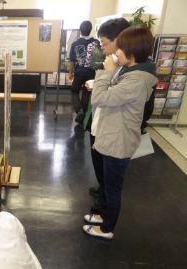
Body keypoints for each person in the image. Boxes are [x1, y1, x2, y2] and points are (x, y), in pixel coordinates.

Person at [83, 25, 158, 239]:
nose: (116, 52)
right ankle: (104, 216)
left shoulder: (136, 79)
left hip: (119, 143)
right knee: (107, 185)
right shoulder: (130, 71)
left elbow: (100, 98)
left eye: (121, 48)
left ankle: (107, 228)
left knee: (112, 189)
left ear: (133, 51)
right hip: (114, 138)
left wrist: (105, 74)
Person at [86, 18, 130, 212]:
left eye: (104, 43)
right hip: (99, 125)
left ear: (119, 40)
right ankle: (102, 195)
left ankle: (104, 211)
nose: (102, 47)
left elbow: (104, 98)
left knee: (110, 178)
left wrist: (101, 83)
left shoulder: (129, 69)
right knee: (100, 167)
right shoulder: (113, 63)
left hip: (112, 132)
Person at [69, 21, 100, 124]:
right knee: (87, 92)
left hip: (79, 71)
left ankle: (79, 111)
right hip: (91, 72)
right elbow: (99, 59)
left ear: (80, 30)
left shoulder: (75, 43)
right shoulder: (96, 43)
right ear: (90, 29)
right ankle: (83, 112)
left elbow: (72, 60)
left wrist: (70, 72)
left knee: (74, 91)